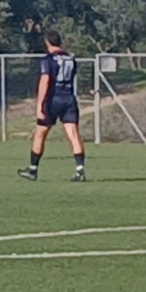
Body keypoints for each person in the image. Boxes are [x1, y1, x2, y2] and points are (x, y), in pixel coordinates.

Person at [19, 31, 86, 181]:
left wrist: (40, 104)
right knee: (73, 134)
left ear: (47, 42)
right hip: (69, 98)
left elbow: (45, 81)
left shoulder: (48, 59)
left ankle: (32, 169)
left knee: (40, 133)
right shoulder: (71, 58)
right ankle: (80, 170)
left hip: (52, 100)